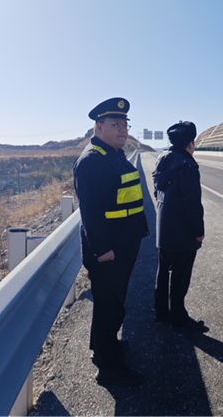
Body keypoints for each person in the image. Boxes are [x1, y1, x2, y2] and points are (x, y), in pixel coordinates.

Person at [73, 97, 149, 387]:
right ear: (98, 127)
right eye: (115, 124)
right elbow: (90, 212)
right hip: (110, 251)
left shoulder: (114, 153)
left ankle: (102, 347)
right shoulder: (92, 161)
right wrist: (102, 249)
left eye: (125, 124)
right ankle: (110, 369)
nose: (123, 129)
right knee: (110, 307)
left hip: (123, 244)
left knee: (110, 303)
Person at [152, 121, 207, 333]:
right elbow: (192, 203)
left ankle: (161, 312)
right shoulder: (187, 165)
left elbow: (157, 192)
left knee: (163, 272)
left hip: (164, 228)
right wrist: (198, 231)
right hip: (183, 232)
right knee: (180, 275)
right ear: (190, 143)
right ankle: (178, 318)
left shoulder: (162, 159)